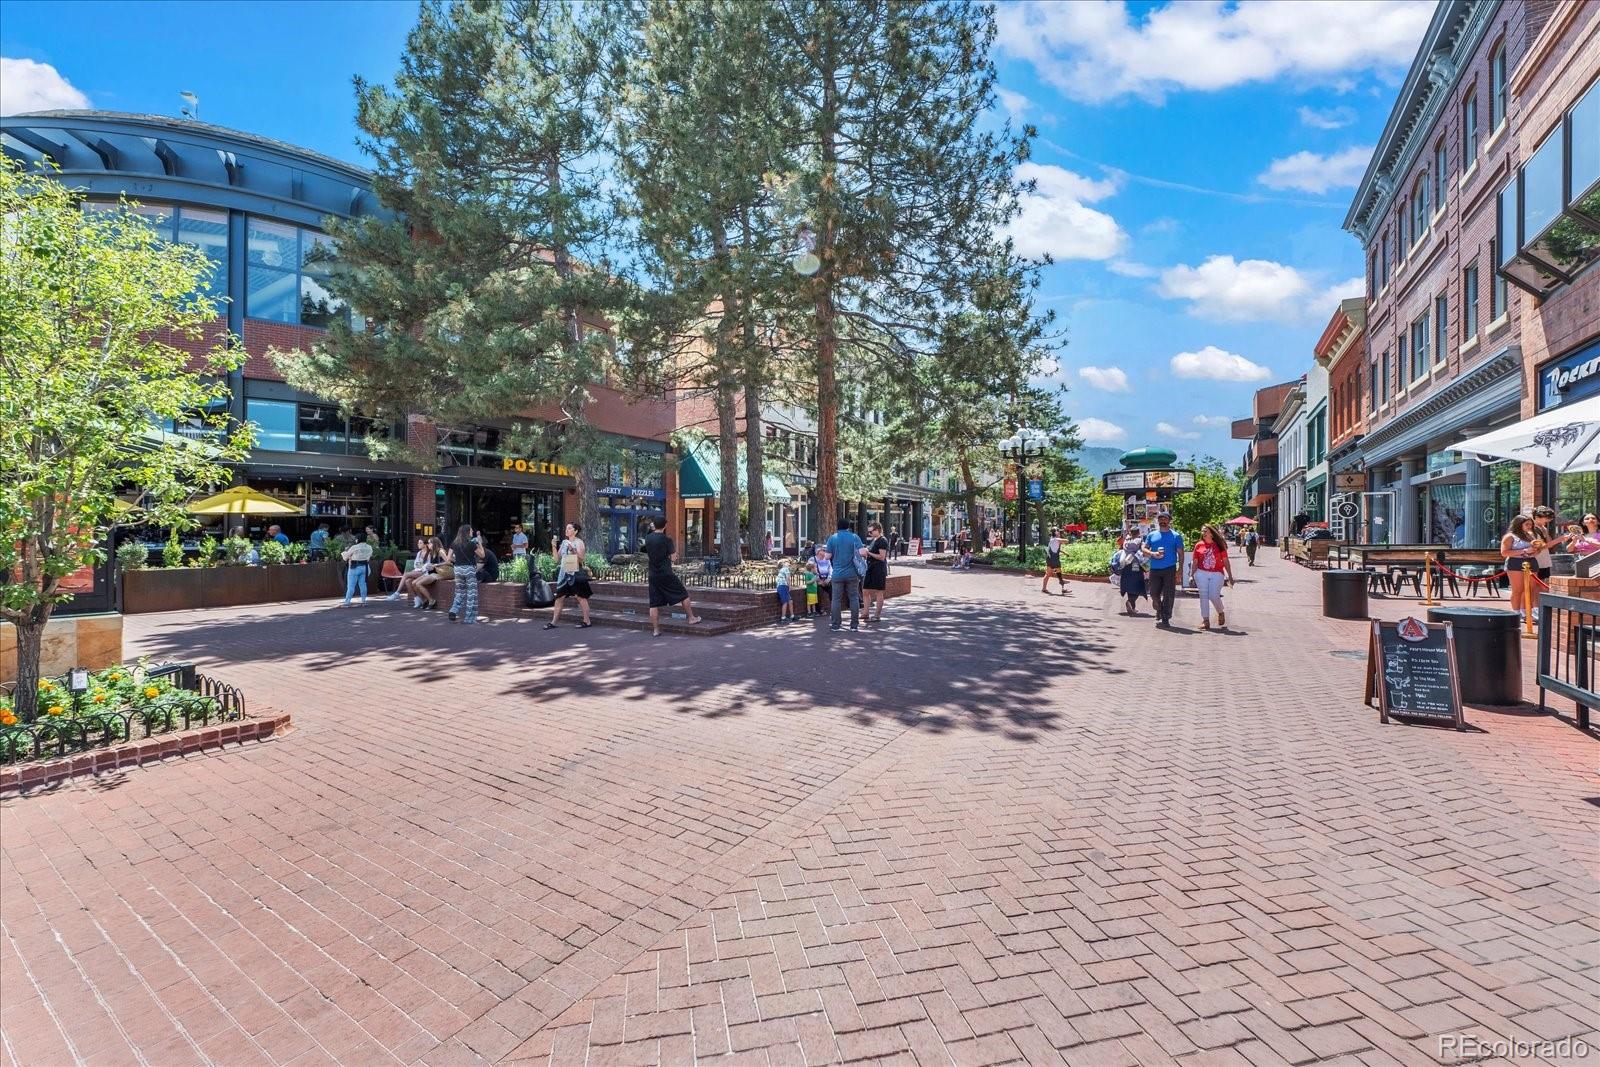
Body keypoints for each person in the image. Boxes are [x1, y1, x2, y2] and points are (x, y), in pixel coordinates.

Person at [643, 517, 698, 636]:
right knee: (683, 594)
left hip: (653, 574)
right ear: (665, 525)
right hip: (666, 572)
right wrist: (671, 556)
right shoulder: (667, 539)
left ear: (654, 525)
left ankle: (656, 630)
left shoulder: (648, 538)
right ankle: (691, 618)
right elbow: (673, 558)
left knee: (653, 603)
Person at [547, 522, 594, 629]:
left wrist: (573, 550)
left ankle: (587, 621)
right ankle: (553, 622)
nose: (566, 530)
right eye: (566, 528)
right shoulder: (564, 542)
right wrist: (553, 547)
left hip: (576, 572)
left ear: (575, 531)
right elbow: (556, 559)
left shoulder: (579, 542)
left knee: (580, 597)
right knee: (559, 597)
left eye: (569, 528)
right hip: (564, 573)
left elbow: (581, 558)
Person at [1140, 513, 1183, 627]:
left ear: (1169, 521)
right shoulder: (1152, 535)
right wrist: (1152, 553)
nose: (1163, 520)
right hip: (1154, 569)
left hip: (1170, 568)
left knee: (1169, 594)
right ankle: (1159, 609)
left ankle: (1165, 617)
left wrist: (1180, 571)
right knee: (1154, 593)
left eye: (1165, 519)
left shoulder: (1176, 536)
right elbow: (1144, 549)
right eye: (1160, 519)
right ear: (1158, 521)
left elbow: (1181, 554)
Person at [826, 519, 866, 632]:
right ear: (848, 526)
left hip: (837, 574)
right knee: (854, 598)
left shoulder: (832, 538)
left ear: (837, 526)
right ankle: (854, 625)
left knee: (836, 599)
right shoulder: (854, 537)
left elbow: (827, 556)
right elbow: (863, 553)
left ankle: (835, 625)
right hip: (852, 573)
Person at [1193, 524, 1235, 631]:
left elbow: (1225, 561)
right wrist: (1192, 575)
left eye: (1206, 531)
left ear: (1211, 533)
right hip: (1201, 572)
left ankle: (1220, 612)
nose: (1203, 533)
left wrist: (1230, 576)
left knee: (1213, 595)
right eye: (1202, 531)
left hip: (1217, 573)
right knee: (1203, 595)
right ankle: (1205, 620)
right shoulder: (1198, 545)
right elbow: (1195, 562)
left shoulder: (1219, 545)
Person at [1502, 514, 1540, 621]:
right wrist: (1524, 551)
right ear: (1519, 524)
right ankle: (1516, 612)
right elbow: (1504, 552)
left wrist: (1536, 550)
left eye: (1531, 524)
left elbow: (1537, 550)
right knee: (1518, 589)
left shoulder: (1531, 535)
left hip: (1532, 562)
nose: (1529, 526)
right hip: (1515, 563)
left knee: (1530, 589)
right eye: (1527, 524)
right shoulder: (1510, 536)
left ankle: (1526, 611)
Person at [447, 524, 485, 624]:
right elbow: (482, 555)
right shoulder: (471, 544)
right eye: (471, 531)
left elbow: (448, 558)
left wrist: (458, 561)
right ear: (467, 532)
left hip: (458, 569)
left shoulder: (454, 543)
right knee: (471, 594)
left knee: (459, 591)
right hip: (469, 569)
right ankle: (469, 618)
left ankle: (453, 610)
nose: (472, 533)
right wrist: (480, 543)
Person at [1530, 506, 1571, 584]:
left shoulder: (1542, 528)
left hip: (1544, 561)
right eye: (1547, 517)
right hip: (1536, 562)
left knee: (1543, 587)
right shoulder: (1531, 529)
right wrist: (1559, 539)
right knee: (1536, 587)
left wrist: (1545, 532)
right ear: (1537, 517)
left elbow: (1549, 544)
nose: (1549, 520)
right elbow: (1539, 547)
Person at [861, 522, 891, 624]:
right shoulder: (874, 540)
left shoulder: (882, 540)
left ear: (877, 530)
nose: (869, 533)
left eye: (871, 531)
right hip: (870, 568)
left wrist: (868, 553)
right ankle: (865, 612)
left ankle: (877, 615)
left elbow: (882, 557)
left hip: (878, 569)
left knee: (879, 591)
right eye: (868, 531)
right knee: (865, 590)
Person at [1115, 526, 1148, 616]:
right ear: (1138, 532)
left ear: (1131, 532)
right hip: (1135, 564)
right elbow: (1144, 550)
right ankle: (1130, 601)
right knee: (1137, 584)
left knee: (1129, 585)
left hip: (1125, 564)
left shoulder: (1126, 540)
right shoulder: (1139, 540)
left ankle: (1132, 607)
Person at [389, 537, 431, 604]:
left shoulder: (429, 554)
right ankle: (417, 599)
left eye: (420, 543)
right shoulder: (419, 553)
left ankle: (397, 593)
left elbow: (428, 565)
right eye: (418, 543)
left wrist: (420, 568)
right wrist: (418, 568)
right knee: (408, 581)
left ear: (425, 544)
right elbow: (416, 564)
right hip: (418, 571)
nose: (418, 544)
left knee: (406, 574)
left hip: (425, 573)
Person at [412, 536, 449, 610]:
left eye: (429, 543)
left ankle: (432, 601)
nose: (428, 545)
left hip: (439, 574)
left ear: (434, 543)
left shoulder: (440, 551)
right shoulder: (432, 553)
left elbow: (449, 562)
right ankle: (425, 601)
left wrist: (436, 565)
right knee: (413, 583)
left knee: (418, 584)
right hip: (431, 572)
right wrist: (429, 566)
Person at [340, 531, 374, 607]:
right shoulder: (369, 547)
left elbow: (345, 557)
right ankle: (363, 601)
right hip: (364, 567)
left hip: (354, 567)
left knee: (351, 586)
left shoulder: (354, 547)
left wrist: (345, 551)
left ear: (358, 539)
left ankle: (347, 602)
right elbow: (369, 557)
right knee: (363, 584)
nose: (355, 540)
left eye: (356, 539)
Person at [1041, 526, 1069, 596]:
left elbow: (1055, 548)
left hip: (1050, 558)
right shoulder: (1056, 539)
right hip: (1054, 559)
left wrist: (1064, 552)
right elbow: (1067, 541)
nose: (1059, 532)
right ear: (1055, 532)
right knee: (1058, 572)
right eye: (1058, 531)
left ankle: (1044, 588)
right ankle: (1062, 583)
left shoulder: (1052, 540)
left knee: (1048, 574)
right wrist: (1063, 535)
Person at [776, 558, 797, 623]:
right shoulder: (785, 569)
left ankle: (792, 616)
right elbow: (788, 578)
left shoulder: (782, 570)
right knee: (785, 602)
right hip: (783, 586)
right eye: (787, 562)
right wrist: (790, 586)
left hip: (782, 586)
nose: (789, 563)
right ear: (783, 563)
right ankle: (783, 618)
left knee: (790, 601)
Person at [814, 546, 833, 615]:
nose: (823, 557)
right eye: (821, 555)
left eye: (824, 555)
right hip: (818, 581)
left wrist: (828, 579)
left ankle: (833, 609)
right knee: (819, 593)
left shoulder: (827, 559)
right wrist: (819, 580)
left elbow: (830, 569)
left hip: (826, 580)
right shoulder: (813, 559)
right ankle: (820, 610)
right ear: (817, 554)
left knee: (832, 592)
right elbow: (812, 571)